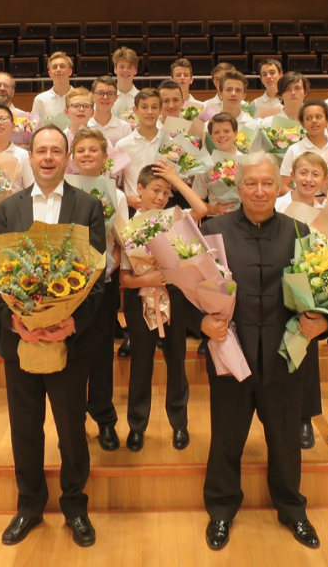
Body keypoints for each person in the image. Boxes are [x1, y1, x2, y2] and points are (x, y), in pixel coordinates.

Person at [200, 152, 328, 551]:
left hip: (285, 355)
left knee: (286, 439)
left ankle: (292, 509)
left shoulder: (301, 231)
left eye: (267, 183)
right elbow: (184, 288)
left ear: (281, 186)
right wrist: (199, 323)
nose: (259, 190)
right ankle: (221, 510)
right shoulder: (211, 229)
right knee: (226, 436)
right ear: (237, 188)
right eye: (251, 183)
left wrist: (324, 322)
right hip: (230, 353)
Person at [0, 125, 105, 548]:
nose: (47, 157)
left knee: (72, 430)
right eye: (40, 150)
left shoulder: (88, 206)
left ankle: (76, 507)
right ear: (31, 156)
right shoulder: (9, 208)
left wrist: (71, 324)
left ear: (67, 158)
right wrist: (15, 321)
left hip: (70, 342)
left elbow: (95, 279)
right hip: (20, 340)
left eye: (55, 151)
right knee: (25, 428)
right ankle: (29, 506)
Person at [120, 162, 207, 452]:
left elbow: (202, 210)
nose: (161, 197)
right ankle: (137, 426)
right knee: (141, 365)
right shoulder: (127, 226)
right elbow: (124, 278)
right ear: (139, 190)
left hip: (174, 296)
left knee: (176, 360)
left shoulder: (173, 218)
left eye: (166, 193)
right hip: (140, 299)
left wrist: (175, 179)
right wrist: (145, 278)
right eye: (156, 190)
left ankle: (179, 423)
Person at [70, 128, 127, 450]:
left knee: (103, 353)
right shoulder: (63, 190)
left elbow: (123, 238)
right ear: (72, 158)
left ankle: (104, 418)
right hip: (70, 286)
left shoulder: (115, 194)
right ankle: (74, 418)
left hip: (103, 283)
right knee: (74, 353)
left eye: (94, 150)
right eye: (81, 151)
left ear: (105, 159)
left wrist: (114, 260)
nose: (88, 155)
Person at [272, 151, 328, 448]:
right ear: (291, 175)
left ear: (324, 180)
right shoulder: (277, 205)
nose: (308, 179)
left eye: (315, 174)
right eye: (303, 173)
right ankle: (279, 415)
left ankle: (305, 417)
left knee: (306, 351)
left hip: (310, 287)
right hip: (274, 285)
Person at [279, 99, 328, 193]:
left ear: (327, 120)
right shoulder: (294, 150)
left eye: (319, 117)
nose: (314, 121)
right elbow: (283, 187)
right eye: (308, 118)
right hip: (302, 203)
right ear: (303, 124)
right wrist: (303, 199)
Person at [114, 88, 162, 210]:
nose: (149, 112)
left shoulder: (169, 144)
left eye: (154, 107)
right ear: (135, 110)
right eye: (144, 107)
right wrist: (127, 200)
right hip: (133, 207)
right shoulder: (123, 145)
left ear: (160, 110)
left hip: (163, 206)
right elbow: (113, 182)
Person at [88, 75, 132, 146]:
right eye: (100, 93)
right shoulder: (85, 126)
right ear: (93, 96)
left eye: (110, 94)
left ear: (116, 98)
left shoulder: (124, 128)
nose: (105, 97)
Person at [32, 52, 74, 120]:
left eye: (62, 66)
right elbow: (36, 127)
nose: (58, 69)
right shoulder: (40, 100)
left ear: (70, 71)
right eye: (54, 67)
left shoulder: (81, 97)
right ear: (50, 73)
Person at [112, 47, 140, 116]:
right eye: (122, 67)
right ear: (115, 69)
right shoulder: (107, 98)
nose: (125, 70)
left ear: (135, 70)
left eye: (129, 67)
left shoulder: (141, 98)